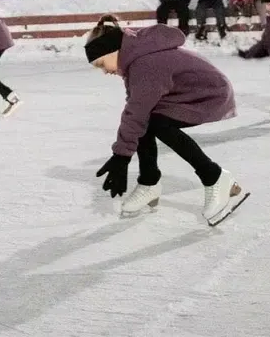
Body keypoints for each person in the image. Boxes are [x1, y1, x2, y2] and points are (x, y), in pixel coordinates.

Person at [85, 16, 247, 226]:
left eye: (102, 64)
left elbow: (136, 112)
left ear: (112, 50)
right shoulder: (135, 59)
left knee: (157, 123)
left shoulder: (145, 64)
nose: (105, 71)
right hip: (183, 94)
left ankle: (215, 177)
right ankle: (149, 183)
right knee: (147, 120)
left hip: (207, 94)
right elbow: (136, 110)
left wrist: (121, 156)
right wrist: (123, 153)